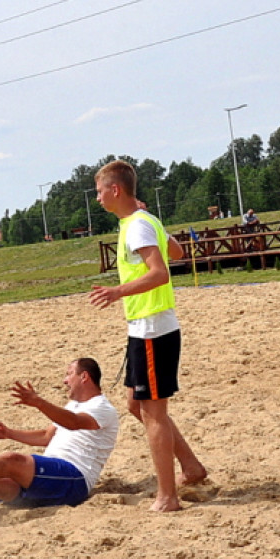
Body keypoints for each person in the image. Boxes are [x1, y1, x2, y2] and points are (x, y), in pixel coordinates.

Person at [88, 159, 207, 512]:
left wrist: (117, 291)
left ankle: (168, 497)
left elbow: (161, 273)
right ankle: (191, 466)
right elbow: (176, 251)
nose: (97, 199)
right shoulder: (143, 221)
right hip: (144, 327)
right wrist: (156, 226)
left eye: (99, 192)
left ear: (115, 190)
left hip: (154, 328)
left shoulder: (139, 224)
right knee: (136, 405)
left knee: (154, 413)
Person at [0, 358, 119, 518]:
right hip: (50, 478)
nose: (64, 380)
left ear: (84, 376)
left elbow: (74, 423)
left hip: (74, 479)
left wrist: (39, 402)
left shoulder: (102, 407)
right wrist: (9, 433)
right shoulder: (72, 406)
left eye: (69, 373)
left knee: (12, 460)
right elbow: (46, 436)